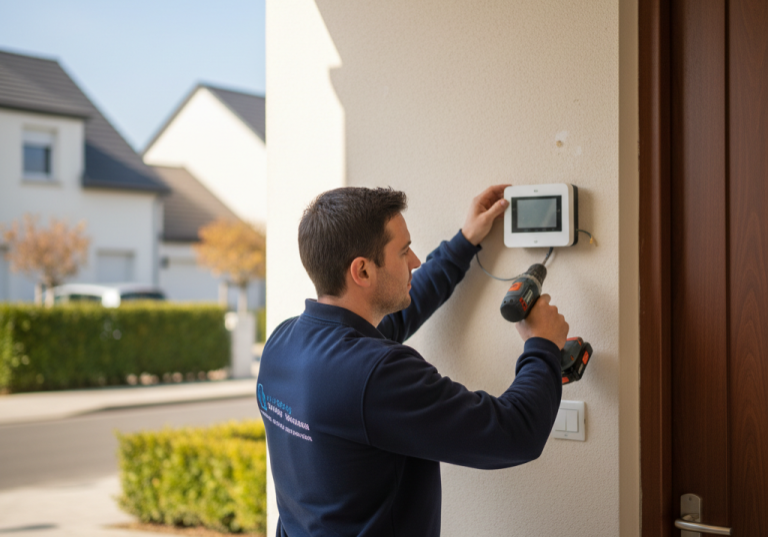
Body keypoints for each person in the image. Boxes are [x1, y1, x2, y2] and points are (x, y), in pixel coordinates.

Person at [257, 184, 568, 537]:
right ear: (362, 272)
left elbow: (397, 316)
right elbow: (515, 434)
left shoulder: (282, 344)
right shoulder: (377, 374)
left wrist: (465, 242)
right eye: (403, 251)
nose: (415, 261)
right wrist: (543, 345)